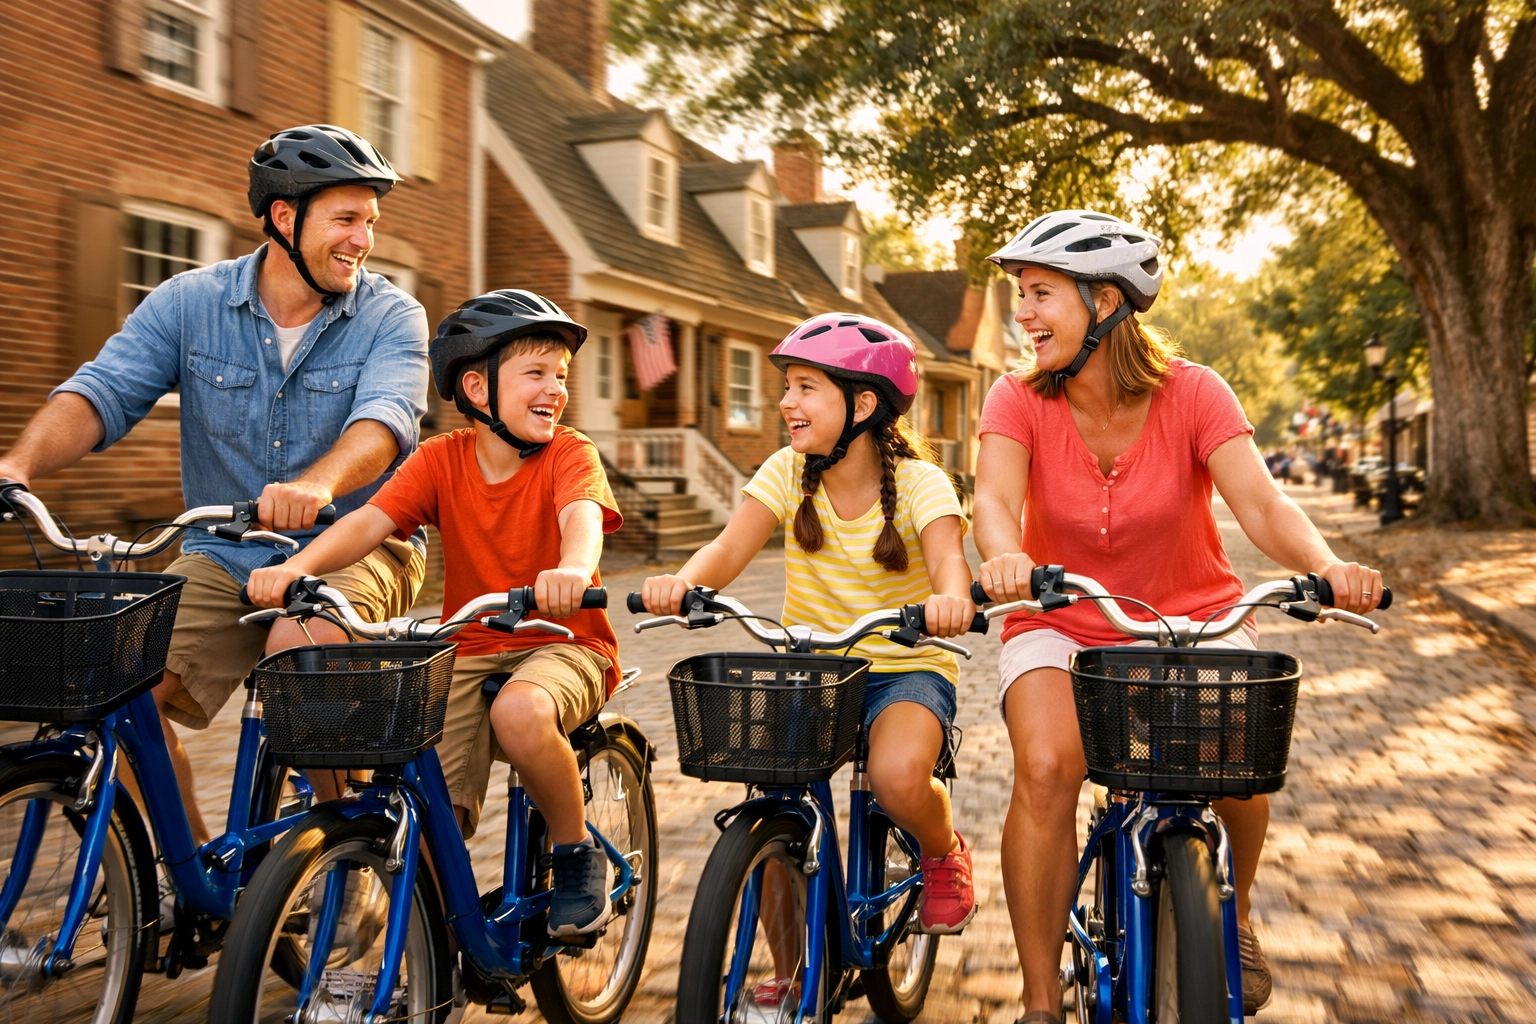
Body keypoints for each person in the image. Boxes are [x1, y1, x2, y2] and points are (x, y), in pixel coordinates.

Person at [972, 210, 1387, 1021]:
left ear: (1106, 303)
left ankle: (1231, 916)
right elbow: (993, 498)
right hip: (1061, 617)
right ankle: (1038, 998)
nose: (1023, 313)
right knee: (1049, 767)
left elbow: (1263, 506)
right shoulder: (1016, 396)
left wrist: (1326, 567)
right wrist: (1003, 557)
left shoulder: (1196, 392)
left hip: (1194, 617)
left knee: (1237, 767)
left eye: (1042, 294)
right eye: (1022, 293)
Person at [0, 124, 429, 846]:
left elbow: (386, 420)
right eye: (347, 220)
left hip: (355, 544)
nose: (364, 240)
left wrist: (318, 484)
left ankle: (349, 855)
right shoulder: (187, 303)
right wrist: (16, 467)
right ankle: (182, 876)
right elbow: (101, 393)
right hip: (224, 551)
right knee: (119, 690)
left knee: (301, 649)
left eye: (370, 222)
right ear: (285, 217)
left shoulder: (391, 315)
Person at [247, 289, 625, 937]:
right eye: (536, 373)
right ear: (476, 389)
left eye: (560, 376)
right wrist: (296, 568)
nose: (556, 389)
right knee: (425, 812)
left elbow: (581, 517)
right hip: (471, 647)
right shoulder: (440, 459)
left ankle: (575, 849)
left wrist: (571, 569)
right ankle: (430, 948)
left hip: (566, 642)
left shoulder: (570, 454)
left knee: (520, 712)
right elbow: (371, 522)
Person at [638, 312, 979, 1004]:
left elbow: (949, 561)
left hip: (905, 666)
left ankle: (943, 851)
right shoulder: (786, 473)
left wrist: (951, 600)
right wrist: (684, 582)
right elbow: (729, 549)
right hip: (814, 668)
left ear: (861, 405)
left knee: (896, 775)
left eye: (804, 388)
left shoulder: (920, 485)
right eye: (786, 388)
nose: (787, 403)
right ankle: (795, 971)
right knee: (770, 802)